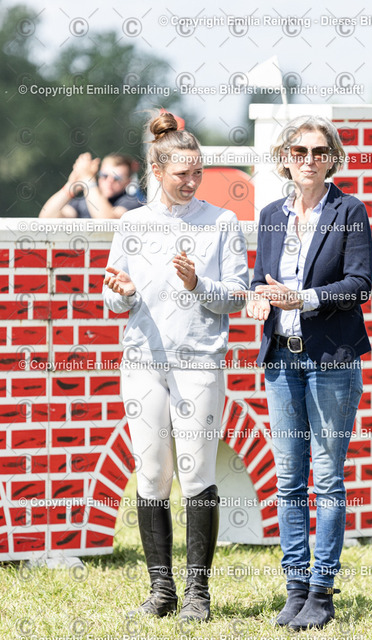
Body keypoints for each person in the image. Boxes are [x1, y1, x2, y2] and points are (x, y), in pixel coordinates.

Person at [102, 112, 249, 621]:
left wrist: (197, 285)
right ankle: (161, 590)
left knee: (196, 473)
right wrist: (123, 293)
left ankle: (198, 594)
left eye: (198, 172)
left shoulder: (222, 222)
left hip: (199, 362)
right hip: (143, 363)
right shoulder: (133, 224)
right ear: (158, 170)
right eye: (182, 173)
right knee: (151, 474)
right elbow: (113, 297)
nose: (191, 181)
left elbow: (237, 296)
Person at [245, 115, 372, 630]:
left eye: (319, 152)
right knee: (289, 479)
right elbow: (260, 280)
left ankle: (322, 592)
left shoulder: (350, 211)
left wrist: (304, 298)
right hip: (282, 359)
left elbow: (360, 285)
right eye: (299, 152)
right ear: (285, 158)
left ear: (332, 158)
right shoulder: (270, 215)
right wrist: (258, 299)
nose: (309, 160)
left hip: (331, 362)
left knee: (327, 478)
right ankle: (295, 588)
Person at [39, 152, 142, 218]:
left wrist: (88, 180)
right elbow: (46, 217)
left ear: (127, 182)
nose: (109, 181)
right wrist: (72, 185)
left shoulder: (133, 203)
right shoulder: (82, 202)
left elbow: (107, 222)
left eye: (117, 178)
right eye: (104, 176)